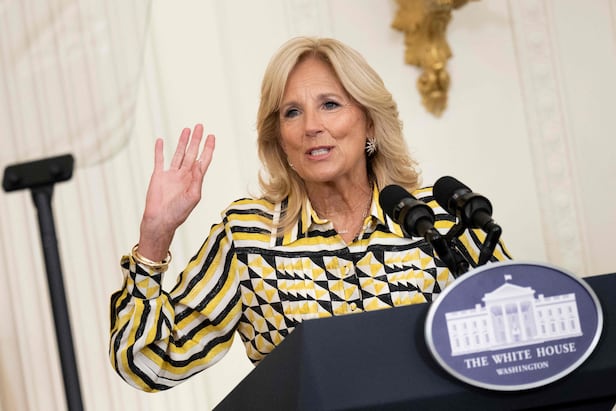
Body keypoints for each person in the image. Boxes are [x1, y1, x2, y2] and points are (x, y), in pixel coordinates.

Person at [109, 36, 510, 392]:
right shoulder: (248, 238)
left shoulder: (439, 219)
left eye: (330, 105)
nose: (311, 127)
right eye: (292, 112)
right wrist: (155, 237)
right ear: (280, 139)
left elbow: (517, 338)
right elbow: (148, 364)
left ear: (369, 123)